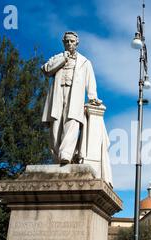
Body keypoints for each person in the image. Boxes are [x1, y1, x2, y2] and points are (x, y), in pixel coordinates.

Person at [41, 31, 101, 164]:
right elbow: (46, 69)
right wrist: (63, 58)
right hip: (58, 93)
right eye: (67, 41)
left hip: (74, 95)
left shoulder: (85, 62)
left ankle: (66, 154)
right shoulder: (57, 57)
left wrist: (93, 97)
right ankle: (57, 156)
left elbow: (90, 80)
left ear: (77, 43)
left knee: (72, 121)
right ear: (63, 43)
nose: (69, 43)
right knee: (55, 124)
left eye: (72, 41)